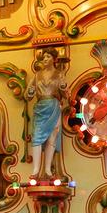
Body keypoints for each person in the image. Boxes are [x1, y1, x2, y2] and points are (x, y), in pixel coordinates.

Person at [26, 47, 68, 180]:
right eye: (44, 57)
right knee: (36, 138)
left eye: (48, 57)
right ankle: (36, 169)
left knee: (52, 137)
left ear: (54, 59)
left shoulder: (59, 74)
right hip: (40, 107)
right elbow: (27, 95)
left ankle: (48, 169)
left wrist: (63, 87)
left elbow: (65, 94)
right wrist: (31, 92)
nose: (45, 59)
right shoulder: (37, 75)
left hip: (54, 106)